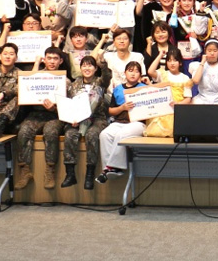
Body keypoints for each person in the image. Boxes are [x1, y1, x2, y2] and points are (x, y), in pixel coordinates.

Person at [14, 47, 69, 190]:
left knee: (51, 132)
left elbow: (68, 107)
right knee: (23, 131)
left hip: (55, 116)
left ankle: (50, 170)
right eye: (49, 58)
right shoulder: (35, 76)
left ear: (60, 61)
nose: (52, 61)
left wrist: (54, 108)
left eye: (55, 58)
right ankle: (25, 171)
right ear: (44, 60)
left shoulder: (65, 81)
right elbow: (21, 90)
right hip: (36, 114)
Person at [96, 60, 148, 184]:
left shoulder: (144, 88)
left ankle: (115, 167)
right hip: (119, 121)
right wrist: (122, 108)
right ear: (125, 73)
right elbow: (111, 111)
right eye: (130, 71)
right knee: (104, 134)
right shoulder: (118, 89)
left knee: (122, 135)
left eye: (137, 71)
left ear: (140, 75)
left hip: (137, 123)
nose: (133, 74)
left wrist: (149, 85)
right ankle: (108, 169)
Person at [64, 54, 109, 189]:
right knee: (69, 134)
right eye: (84, 65)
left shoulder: (100, 82)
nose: (87, 68)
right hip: (77, 120)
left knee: (92, 134)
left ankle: (90, 174)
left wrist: (103, 64)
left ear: (95, 69)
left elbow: (107, 76)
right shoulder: (74, 85)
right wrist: (71, 118)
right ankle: (70, 174)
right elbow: (68, 104)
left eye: (90, 65)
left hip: (97, 119)